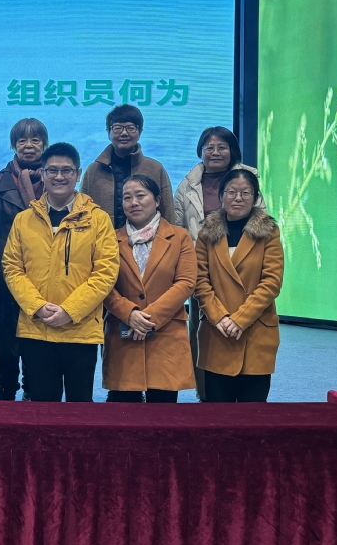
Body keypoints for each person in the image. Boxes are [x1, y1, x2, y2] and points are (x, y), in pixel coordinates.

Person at [3, 143, 119, 402]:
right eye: (52, 170)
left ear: (78, 175)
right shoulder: (24, 220)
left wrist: (70, 310)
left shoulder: (98, 219)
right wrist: (37, 306)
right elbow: (12, 268)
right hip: (37, 328)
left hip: (80, 330)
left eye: (66, 171)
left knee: (80, 407)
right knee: (43, 408)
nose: (59, 176)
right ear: (43, 174)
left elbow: (105, 272)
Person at [173, 125, 263, 401]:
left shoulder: (249, 179)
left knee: (245, 323)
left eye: (222, 147)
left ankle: (243, 387)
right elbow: (178, 227)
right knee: (201, 330)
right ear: (200, 151)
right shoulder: (187, 185)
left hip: (242, 269)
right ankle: (206, 392)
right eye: (209, 147)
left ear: (232, 150)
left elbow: (261, 222)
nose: (215, 152)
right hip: (200, 270)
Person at [102, 175, 197, 402]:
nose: (133, 202)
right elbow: (103, 284)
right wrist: (130, 313)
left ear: (157, 200)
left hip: (166, 334)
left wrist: (148, 318)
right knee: (124, 411)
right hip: (123, 333)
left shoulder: (180, 237)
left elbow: (185, 282)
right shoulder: (109, 239)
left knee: (163, 413)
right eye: (127, 198)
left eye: (140, 195)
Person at [193, 169, 284, 403]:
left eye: (245, 193)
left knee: (252, 414)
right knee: (217, 413)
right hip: (217, 331)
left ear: (255, 197)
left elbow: (271, 282)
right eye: (231, 192)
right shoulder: (206, 233)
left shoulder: (269, 232)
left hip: (255, 331)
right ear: (221, 196)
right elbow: (200, 281)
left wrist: (240, 319)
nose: (238, 198)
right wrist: (220, 317)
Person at [0, 118, 47, 401]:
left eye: (35, 140)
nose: (29, 146)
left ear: (44, 144)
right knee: (5, 344)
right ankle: (6, 395)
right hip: (5, 278)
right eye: (22, 141)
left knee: (37, 343)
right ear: (14, 145)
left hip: (44, 277)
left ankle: (32, 395)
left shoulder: (55, 181)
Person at [80, 104, 173, 229]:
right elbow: (82, 212)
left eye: (130, 128)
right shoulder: (93, 171)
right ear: (108, 133)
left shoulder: (155, 168)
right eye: (117, 128)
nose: (124, 133)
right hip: (101, 240)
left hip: (151, 240)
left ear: (139, 132)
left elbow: (168, 212)